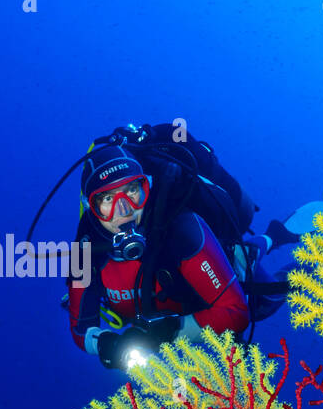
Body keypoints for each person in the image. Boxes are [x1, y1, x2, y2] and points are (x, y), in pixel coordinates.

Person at [68, 144, 250, 370]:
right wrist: (106, 343)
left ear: (147, 187)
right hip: (164, 324)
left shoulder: (182, 229)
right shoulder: (84, 251)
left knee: (265, 302)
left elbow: (238, 313)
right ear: (90, 207)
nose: (124, 210)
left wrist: (170, 331)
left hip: (202, 305)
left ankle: (270, 240)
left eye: (132, 190)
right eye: (107, 199)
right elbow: (80, 330)